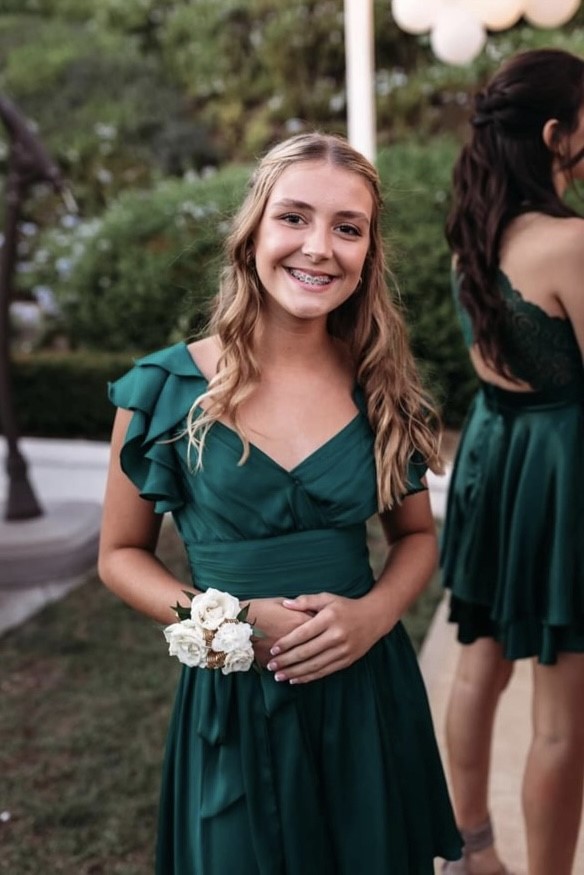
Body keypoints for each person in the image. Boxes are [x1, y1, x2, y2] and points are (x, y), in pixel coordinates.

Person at [98, 131, 462, 874]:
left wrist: (373, 614)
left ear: (368, 254)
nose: (319, 247)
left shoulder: (382, 387)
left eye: (347, 227)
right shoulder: (166, 389)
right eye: (294, 217)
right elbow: (119, 555)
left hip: (365, 692)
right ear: (253, 231)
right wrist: (217, 621)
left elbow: (416, 537)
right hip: (234, 698)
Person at [440, 49, 584, 875]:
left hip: (495, 453)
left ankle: (470, 849)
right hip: (560, 471)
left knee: (481, 663)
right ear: (558, 135)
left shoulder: (474, 234)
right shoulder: (569, 244)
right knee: (564, 717)